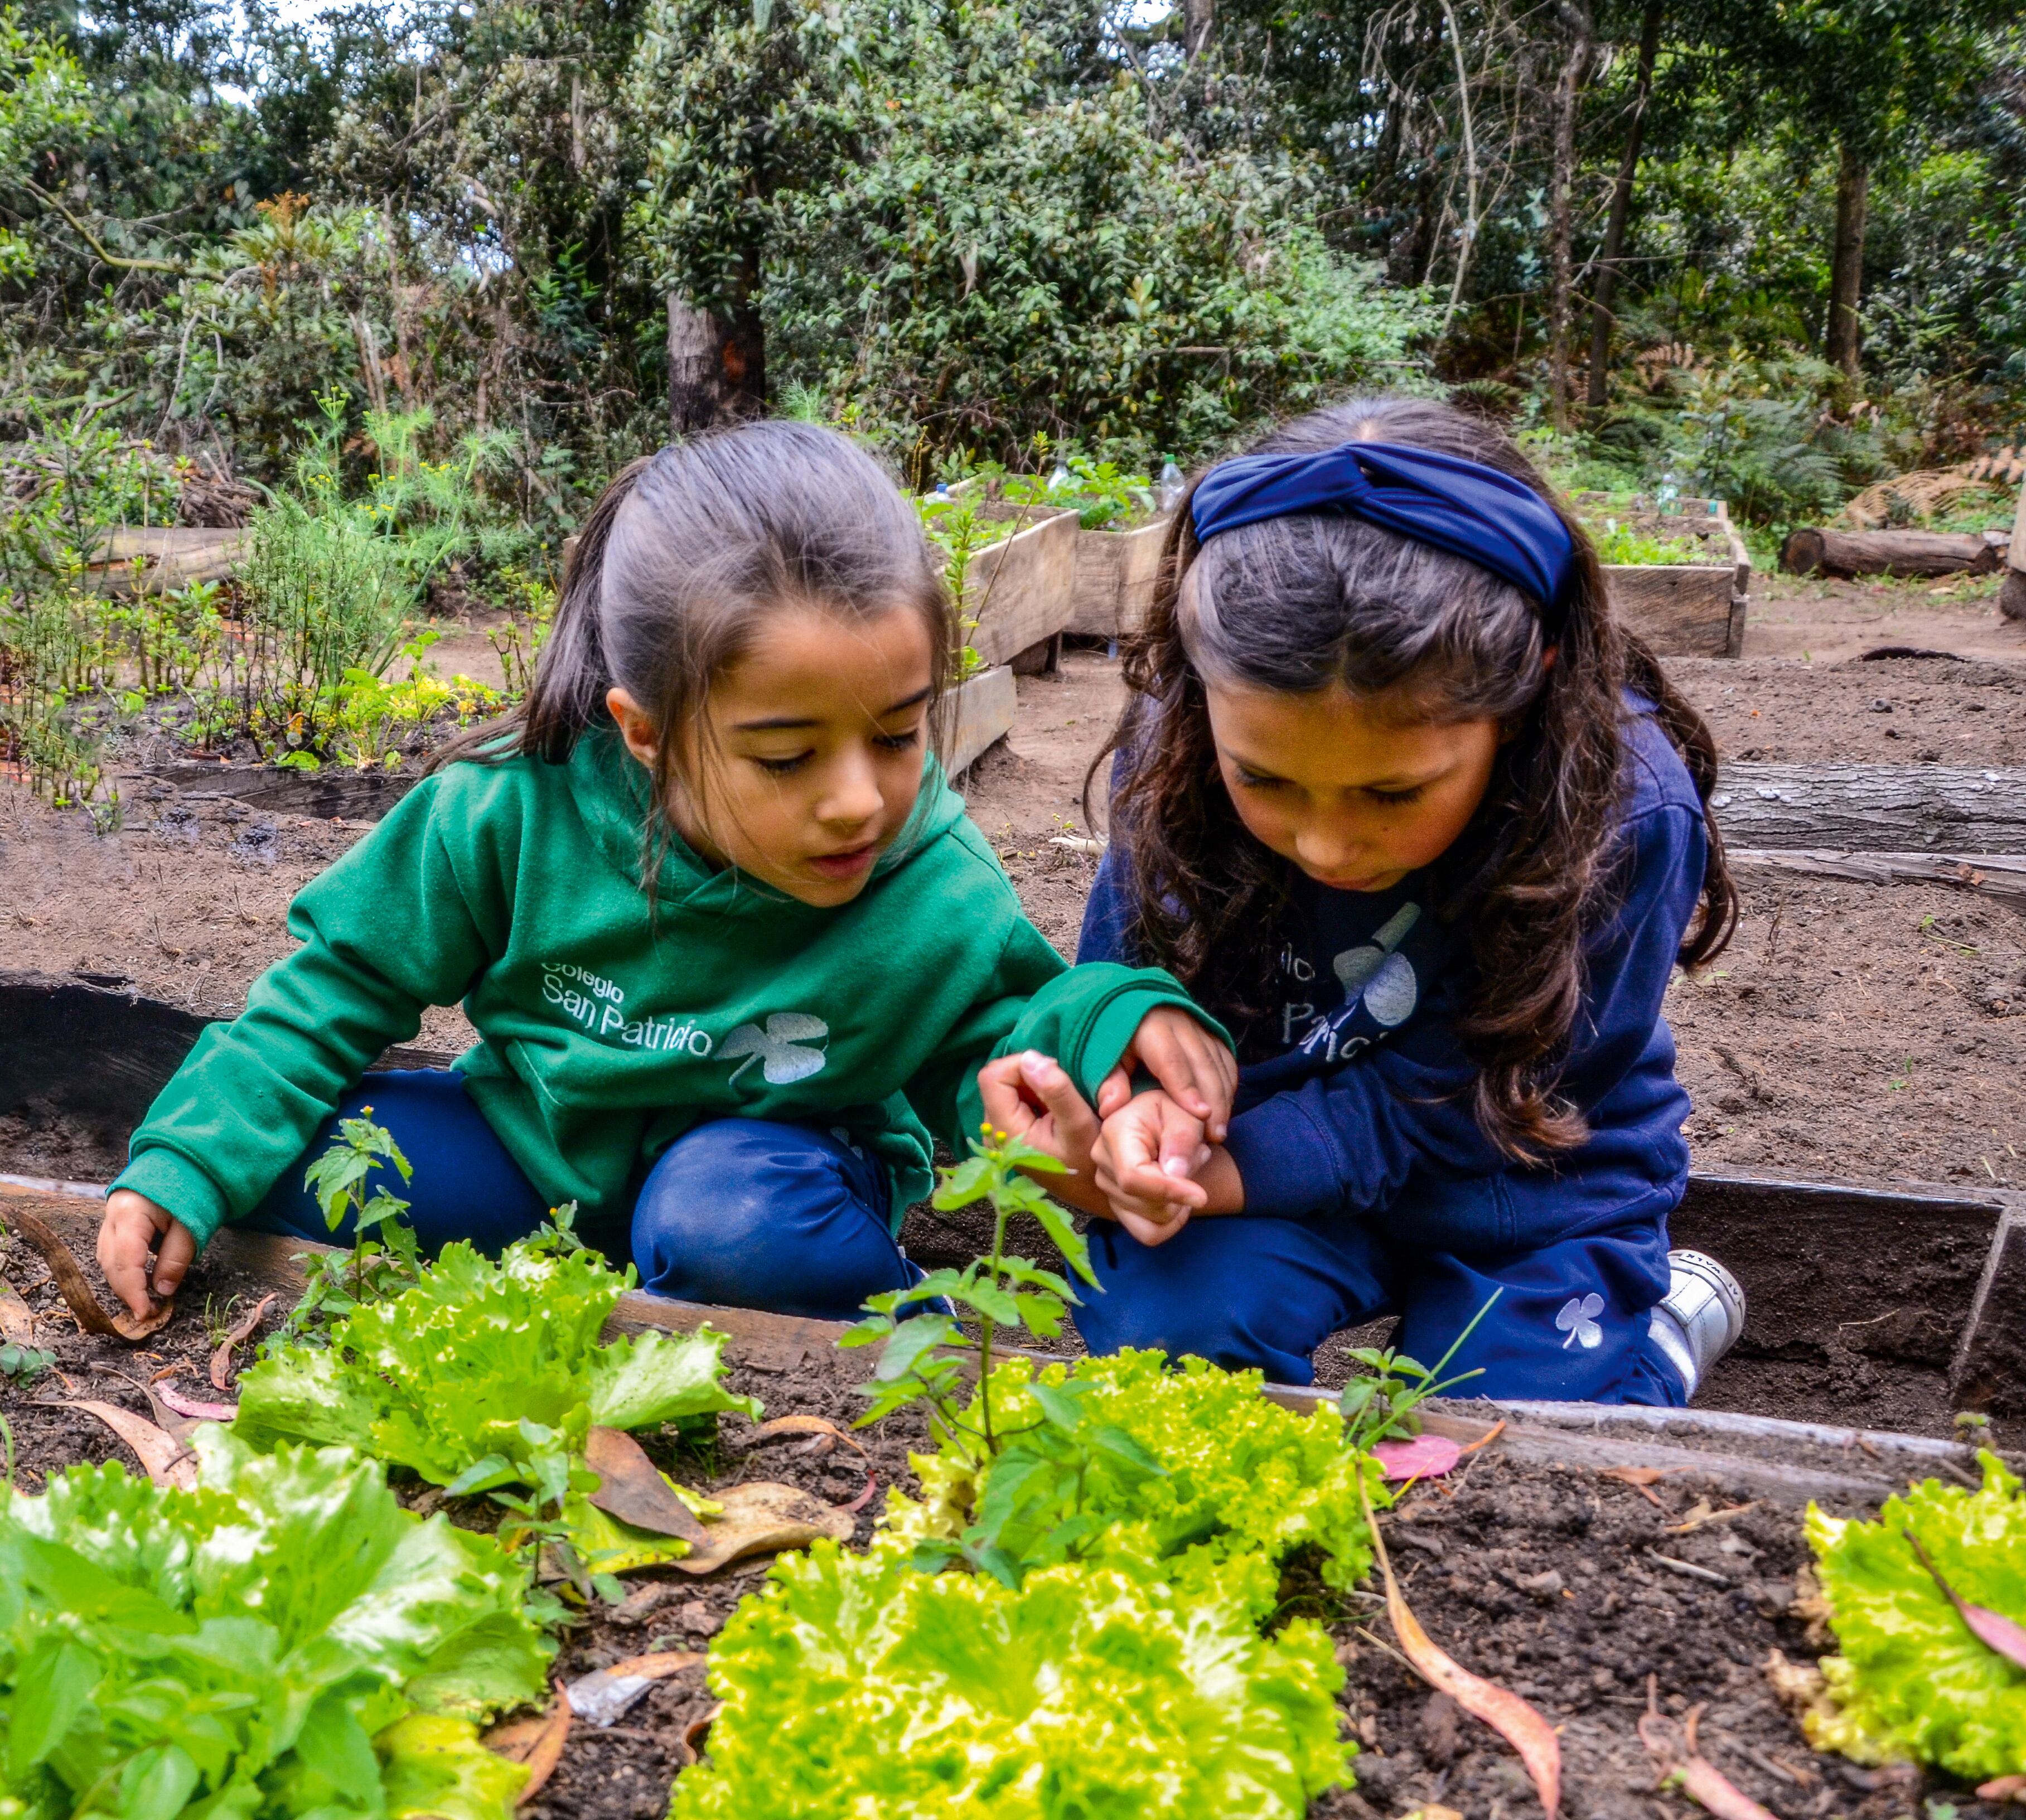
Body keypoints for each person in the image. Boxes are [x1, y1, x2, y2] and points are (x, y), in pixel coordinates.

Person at [98, 422, 1234, 1323]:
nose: (858, 799)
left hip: (765, 1183)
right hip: (534, 1164)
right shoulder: (508, 814)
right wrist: (184, 1163)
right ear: (644, 732)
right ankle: (621, 1272)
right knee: (286, 1156)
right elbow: (332, 991)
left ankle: (879, 1310)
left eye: (896, 733)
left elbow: (1008, 1043)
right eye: (784, 756)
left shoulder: (929, 880)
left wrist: (1104, 1035)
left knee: (723, 1224)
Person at [980, 395, 1746, 1404]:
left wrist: (1210, 1177)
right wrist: (1126, 1093)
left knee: (1500, 1436)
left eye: (1392, 793)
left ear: (1528, 689)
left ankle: (1662, 1332)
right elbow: (1120, 980)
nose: (1327, 846)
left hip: (1521, 1181)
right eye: (1264, 780)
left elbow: (1455, 1113)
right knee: (1169, 1344)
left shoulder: (1625, 810)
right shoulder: (1175, 750)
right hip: (1267, 1163)